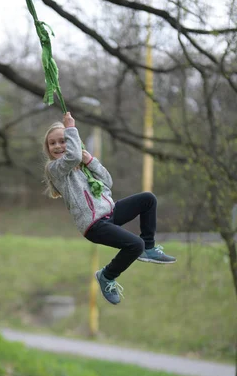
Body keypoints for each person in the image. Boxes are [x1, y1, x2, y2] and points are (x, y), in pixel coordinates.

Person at [43, 111, 176, 305]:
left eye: (62, 141)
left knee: (148, 199)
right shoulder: (55, 169)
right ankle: (107, 276)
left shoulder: (81, 165)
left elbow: (107, 181)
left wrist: (90, 161)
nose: (58, 146)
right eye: (52, 143)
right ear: (48, 149)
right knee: (133, 245)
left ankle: (149, 247)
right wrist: (71, 128)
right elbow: (71, 157)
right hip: (93, 225)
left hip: (109, 212)